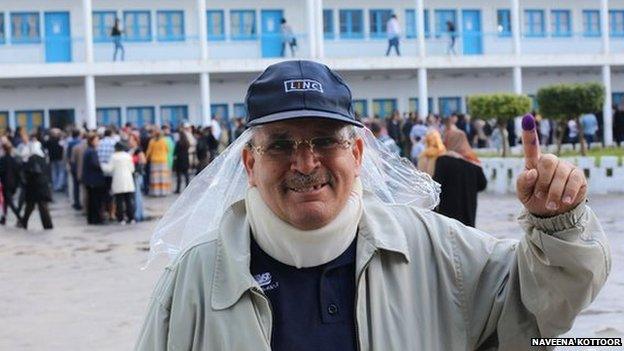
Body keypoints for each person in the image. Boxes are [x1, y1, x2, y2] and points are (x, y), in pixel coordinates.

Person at [136, 60, 609, 351]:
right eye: (280, 144)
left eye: (325, 141)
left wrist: (556, 225)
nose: (306, 162)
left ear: (357, 154)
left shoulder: (437, 253)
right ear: (249, 164)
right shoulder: (197, 280)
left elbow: (541, 316)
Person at [436, 127, 487, 227]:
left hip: (447, 218)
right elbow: (482, 184)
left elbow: (436, 186)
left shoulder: (443, 161)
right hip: (468, 217)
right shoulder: (473, 163)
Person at [21, 140, 53, 230]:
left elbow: (27, 172)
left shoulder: (31, 159)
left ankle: (24, 222)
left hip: (34, 187)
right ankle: (47, 225)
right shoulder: (42, 158)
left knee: (31, 207)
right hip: (41, 187)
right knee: (41, 207)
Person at [102, 142, 135, 224]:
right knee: (128, 201)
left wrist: (102, 165)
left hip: (118, 181)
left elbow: (109, 169)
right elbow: (132, 169)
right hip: (128, 181)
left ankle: (121, 219)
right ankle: (131, 218)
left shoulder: (114, 157)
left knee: (119, 201)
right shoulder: (128, 156)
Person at [83, 134, 106, 225]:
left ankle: (92, 219)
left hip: (90, 180)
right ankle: (97, 219)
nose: (98, 142)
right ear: (92, 141)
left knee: (92, 200)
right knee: (96, 201)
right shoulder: (92, 152)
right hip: (94, 180)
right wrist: (103, 167)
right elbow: (95, 165)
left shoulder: (89, 151)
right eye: (97, 140)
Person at [0, 141, 23, 226]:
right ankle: (4, 218)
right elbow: (17, 172)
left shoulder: (3, 160)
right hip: (13, 184)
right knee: (6, 202)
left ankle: (20, 218)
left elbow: (1, 172)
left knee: (10, 202)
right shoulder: (13, 160)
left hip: (6, 184)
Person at [145, 129, 171, 196]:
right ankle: (163, 192)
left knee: (155, 178)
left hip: (154, 161)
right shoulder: (164, 141)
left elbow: (149, 152)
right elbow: (168, 150)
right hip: (163, 160)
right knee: (163, 178)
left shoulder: (152, 141)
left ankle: (155, 192)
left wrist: (146, 158)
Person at [128, 133, 146, 222]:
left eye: (131, 140)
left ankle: (138, 214)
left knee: (137, 195)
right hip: (132, 174)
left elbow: (143, 160)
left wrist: (137, 169)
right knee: (134, 195)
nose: (129, 141)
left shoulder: (138, 150)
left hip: (137, 174)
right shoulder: (131, 150)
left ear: (135, 140)